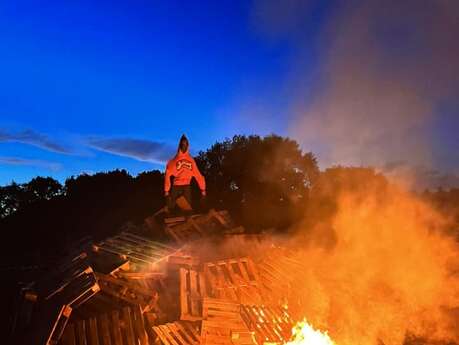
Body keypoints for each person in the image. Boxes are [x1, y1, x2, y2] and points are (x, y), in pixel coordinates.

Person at [164, 135, 206, 212]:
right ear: (180, 145)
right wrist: (166, 191)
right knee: (171, 207)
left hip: (186, 185)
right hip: (176, 185)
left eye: (185, 144)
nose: (184, 146)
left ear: (188, 145)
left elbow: (198, 175)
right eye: (182, 144)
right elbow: (168, 173)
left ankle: (187, 218)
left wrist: (203, 190)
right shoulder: (175, 159)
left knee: (187, 208)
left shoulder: (191, 160)